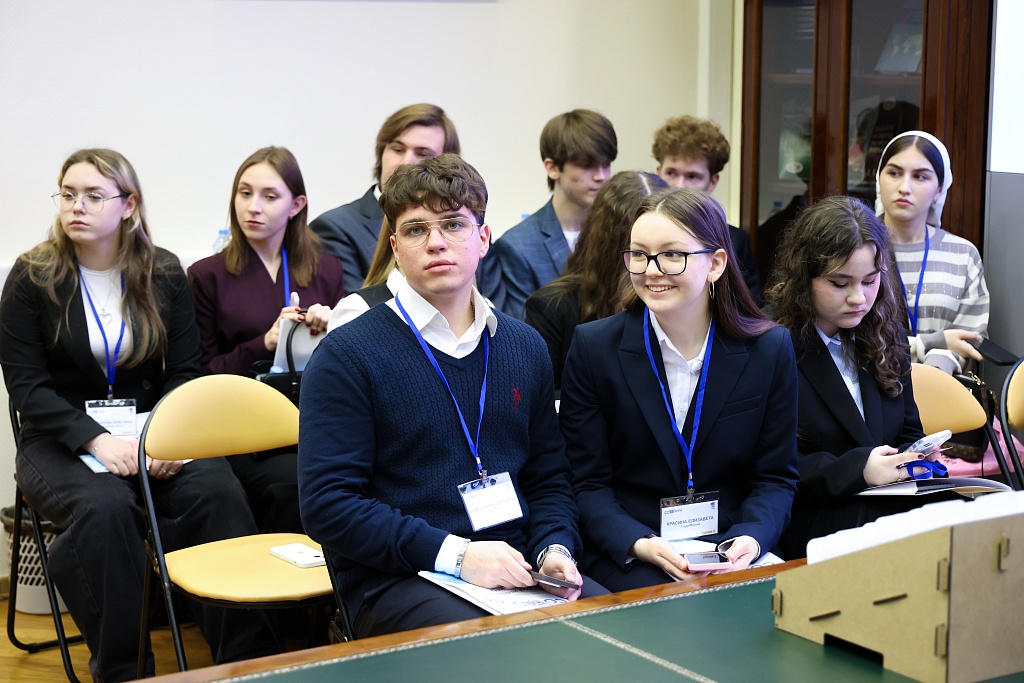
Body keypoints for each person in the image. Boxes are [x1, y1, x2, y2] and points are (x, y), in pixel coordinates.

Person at [0, 149, 279, 681]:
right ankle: (126, 672)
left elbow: (185, 372)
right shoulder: (33, 276)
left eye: (93, 195)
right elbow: (27, 389)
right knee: (105, 509)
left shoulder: (163, 271)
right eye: (68, 194)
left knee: (217, 494)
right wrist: (96, 440)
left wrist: (165, 437)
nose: (76, 206)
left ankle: (249, 664)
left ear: (128, 205)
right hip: (60, 438)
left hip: (155, 428)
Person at [299, 154, 600, 638]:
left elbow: (548, 479)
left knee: (617, 626)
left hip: (519, 565)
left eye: (454, 224)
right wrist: (460, 556)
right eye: (416, 229)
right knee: (494, 649)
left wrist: (555, 548)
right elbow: (329, 505)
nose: (436, 241)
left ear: (483, 238)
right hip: (402, 577)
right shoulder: (346, 355)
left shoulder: (525, 347)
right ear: (396, 249)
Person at [559, 188, 799, 593]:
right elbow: (586, 483)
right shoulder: (594, 347)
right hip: (634, 547)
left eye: (672, 254)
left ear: (715, 264)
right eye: (639, 254)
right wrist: (640, 543)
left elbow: (775, 477)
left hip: (730, 544)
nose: (652, 270)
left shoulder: (769, 349)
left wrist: (751, 537)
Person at [767, 196, 936, 559]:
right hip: (815, 516)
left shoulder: (884, 332)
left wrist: (916, 455)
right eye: (840, 283)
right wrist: (861, 469)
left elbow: (907, 429)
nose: (859, 298)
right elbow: (770, 468)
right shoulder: (771, 344)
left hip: (885, 505)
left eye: (870, 281)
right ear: (804, 278)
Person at [187, 146, 345, 533]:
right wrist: (266, 343)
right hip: (240, 427)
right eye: (245, 193)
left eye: (269, 196)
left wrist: (334, 331)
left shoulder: (326, 269)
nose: (253, 207)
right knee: (293, 483)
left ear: (296, 205)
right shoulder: (207, 275)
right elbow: (202, 374)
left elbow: (349, 363)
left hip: (310, 419)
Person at [524, 171, 667, 389]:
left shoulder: (674, 302)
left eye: (669, 250)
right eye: (639, 251)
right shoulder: (552, 306)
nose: (654, 268)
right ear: (615, 245)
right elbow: (544, 398)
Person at [309, 103, 460, 293]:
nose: (406, 162)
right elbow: (355, 308)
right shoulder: (334, 228)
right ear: (381, 153)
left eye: (423, 154)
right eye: (397, 149)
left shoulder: (466, 229)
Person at [875, 130, 988, 374]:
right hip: (867, 388)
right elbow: (849, 339)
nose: (904, 187)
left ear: (939, 190)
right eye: (894, 173)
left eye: (920, 176)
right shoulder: (857, 249)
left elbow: (970, 336)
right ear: (879, 179)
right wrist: (932, 343)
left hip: (941, 387)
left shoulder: (963, 255)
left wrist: (934, 373)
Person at [492, 109, 618, 319]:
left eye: (606, 164)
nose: (601, 176)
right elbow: (524, 329)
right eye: (587, 165)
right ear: (552, 168)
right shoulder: (517, 246)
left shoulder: (620, 230)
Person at [652, 115, 762, 303]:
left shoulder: (735, 241)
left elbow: (751, 307)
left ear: (712, 182)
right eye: (671, 173)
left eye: (692, 176)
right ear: (658, 173)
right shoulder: (637, 234)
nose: (679, 185)